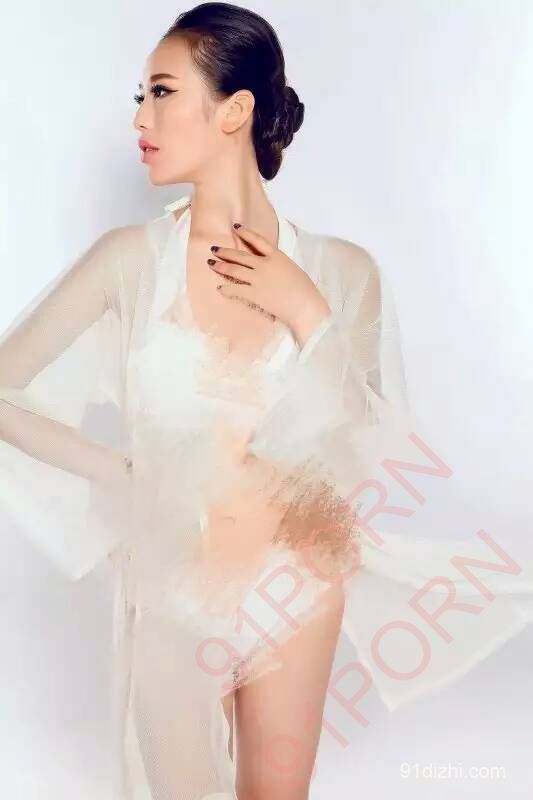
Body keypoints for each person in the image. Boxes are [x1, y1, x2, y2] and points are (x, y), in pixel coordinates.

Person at [1, 4, 533, 799]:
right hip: (174, 584)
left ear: (236, 110)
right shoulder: (129, 261)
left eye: (161, 93)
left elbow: (373, 445)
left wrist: (307, 311)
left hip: (297, 580)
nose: (140, 119)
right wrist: (127, 477)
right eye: (140, 97)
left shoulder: (341, 272)